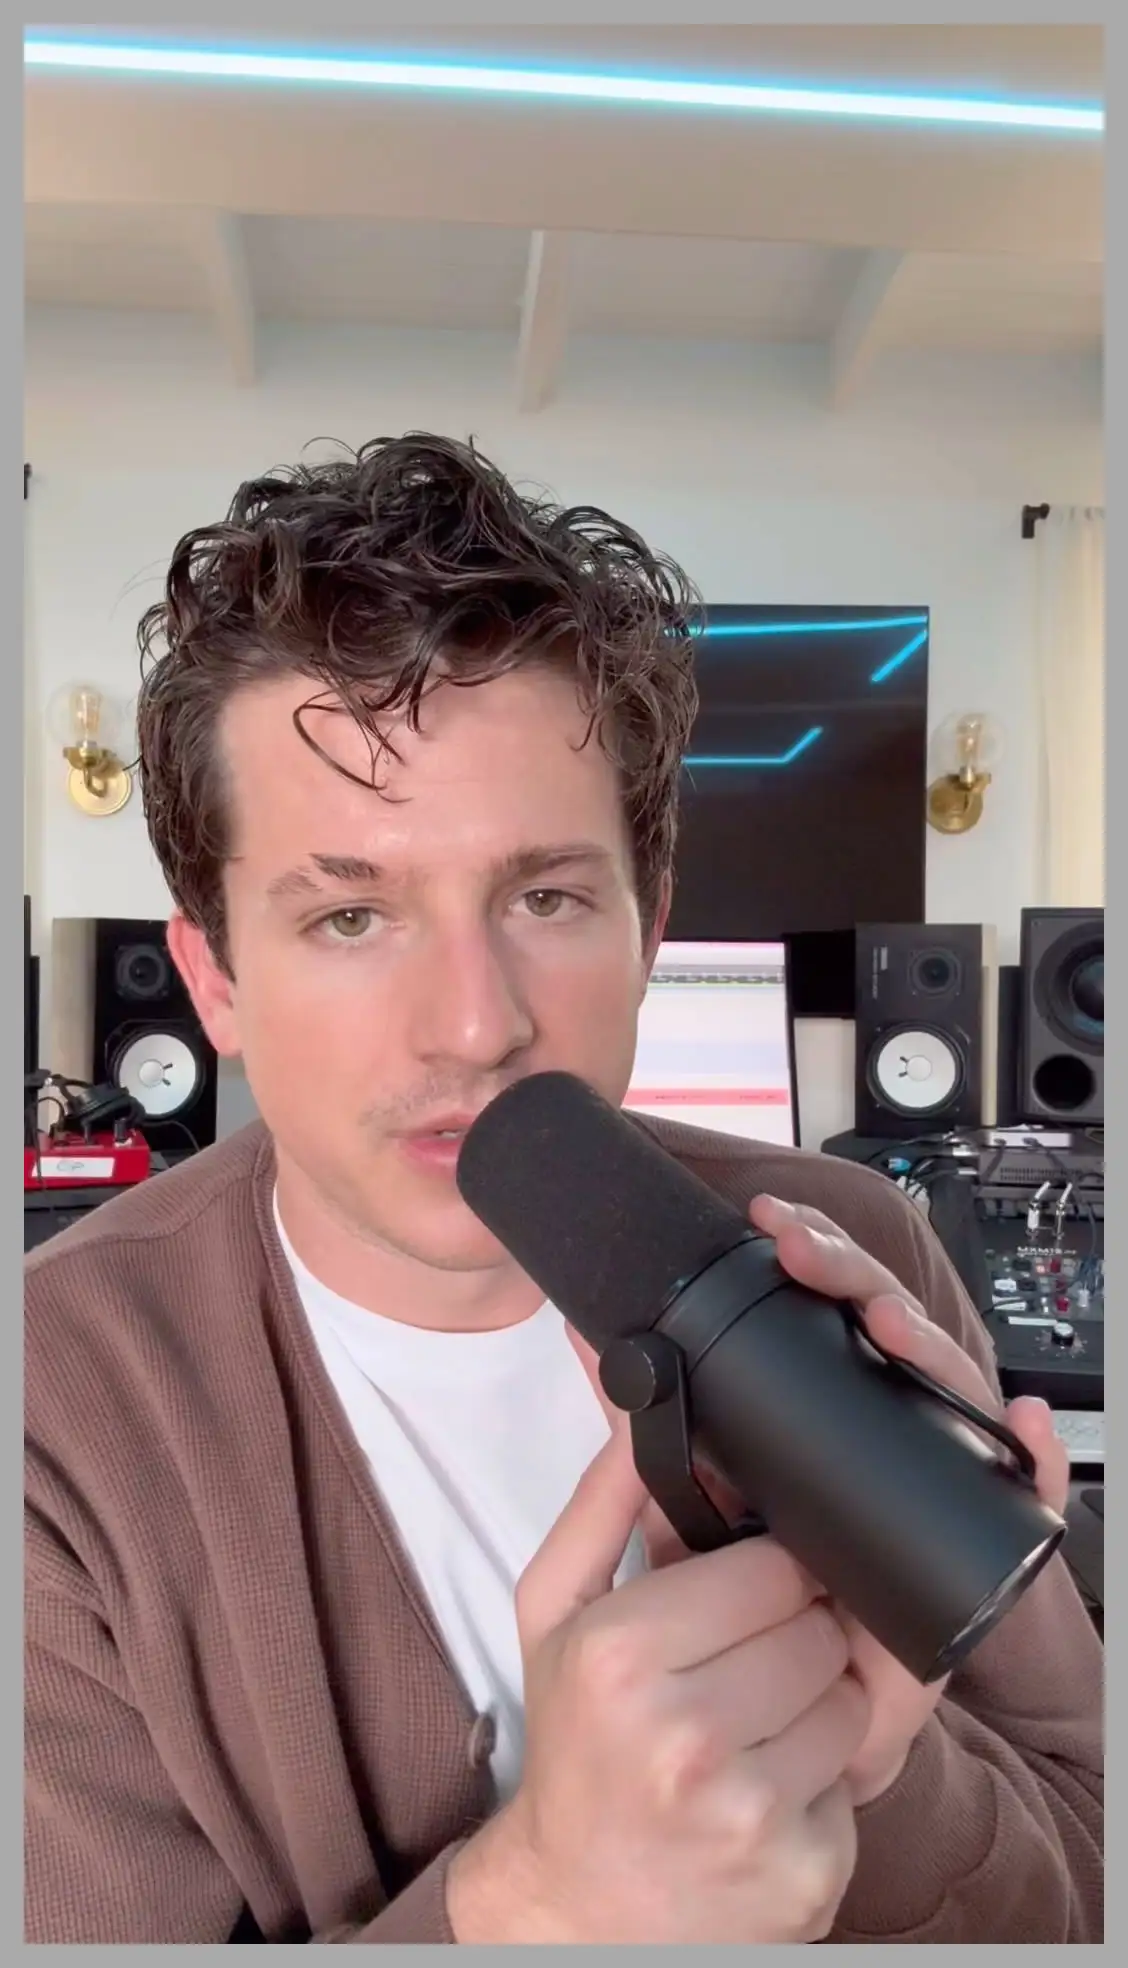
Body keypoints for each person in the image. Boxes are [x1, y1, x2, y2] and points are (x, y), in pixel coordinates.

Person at [25, 435, 1102, 1945]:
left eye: (545, 897)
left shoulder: (851, 1246)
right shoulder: (52, 1406)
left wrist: (877, 1775)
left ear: (648, 927)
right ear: (213, 980)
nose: (476, 1026)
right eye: (349, 917)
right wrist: (535, 1900)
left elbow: (1091, 1856)